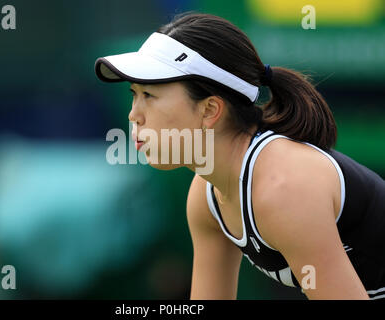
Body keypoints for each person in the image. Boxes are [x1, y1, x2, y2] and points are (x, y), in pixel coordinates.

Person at [94, 13, 385, 300]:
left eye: (149, 95)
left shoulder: (282, 189)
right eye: (134, 94)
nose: (134, 115)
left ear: (209, 110)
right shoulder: (206, 195)